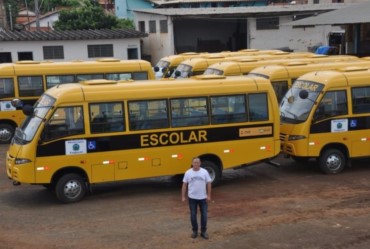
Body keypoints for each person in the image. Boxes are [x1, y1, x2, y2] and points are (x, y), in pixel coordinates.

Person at [181, 157, 212, 239]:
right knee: (193, 215)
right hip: (192, 198)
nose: (196, 164)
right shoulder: (188, 173)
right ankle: (195, 231)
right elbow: (184, 185)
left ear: (200, 163)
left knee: (204, 215)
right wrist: (183, 196)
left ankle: (203, 232)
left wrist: (208, 195)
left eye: (197, 162)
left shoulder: (204, 172)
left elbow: (208, 183)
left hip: (203, 197)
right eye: (194, 162)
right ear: (192, 163)